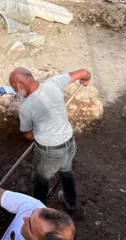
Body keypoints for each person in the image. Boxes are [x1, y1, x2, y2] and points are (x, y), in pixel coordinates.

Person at [8, 67, 91, 211]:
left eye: (14, 87)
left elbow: (28, 135)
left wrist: (37, 132)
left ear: (21, 84)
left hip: (49, 152)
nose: (15, 91)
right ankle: (70, 201)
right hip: (69, 143)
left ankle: (38, 210)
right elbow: (84, 72)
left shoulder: (26, 107)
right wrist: (86, 79)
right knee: (66, 172)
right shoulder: (54, 82)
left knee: (40, 181)